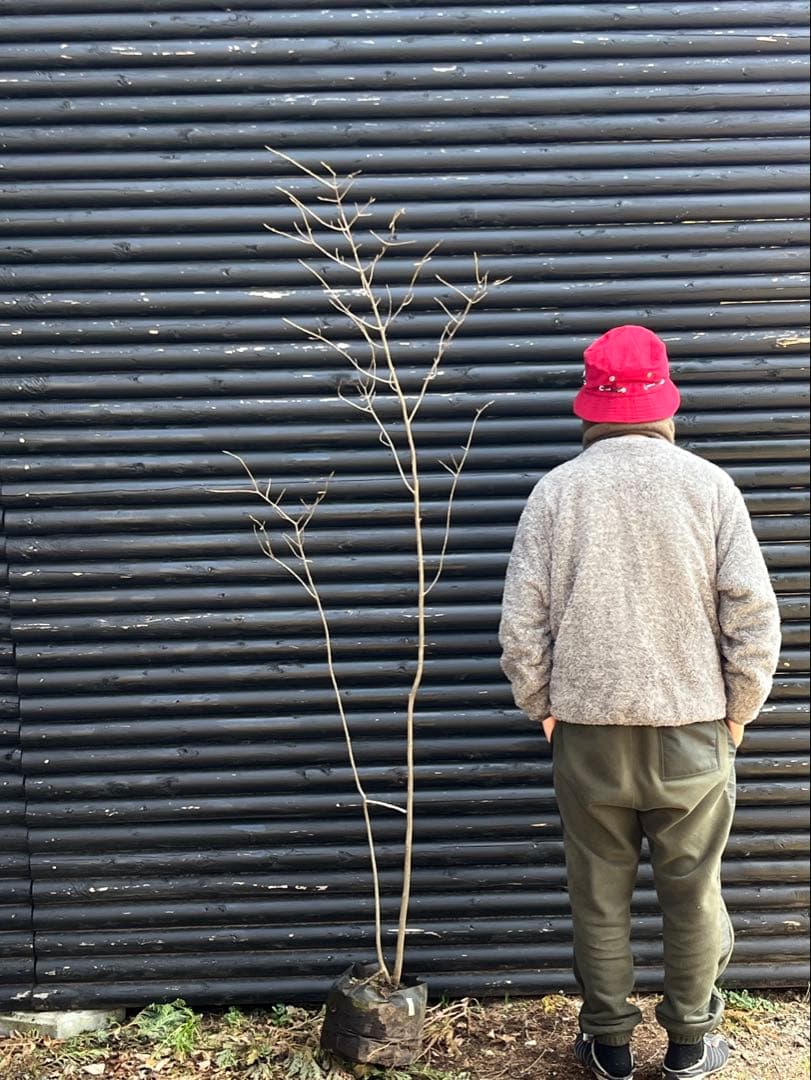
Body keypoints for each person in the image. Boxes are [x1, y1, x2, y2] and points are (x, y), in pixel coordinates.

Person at [498, 325, 782, 1080]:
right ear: (665, 404)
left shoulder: (556, 492)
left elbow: (522, 624)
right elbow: (753, 616)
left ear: (589, 407)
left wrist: (542, 706)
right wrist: (737, 712)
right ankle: (691, 1044)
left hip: (587, 733)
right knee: (694, 895)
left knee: (598, 896)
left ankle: (609, 1046)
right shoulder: (708, 487)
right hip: (693, 729)